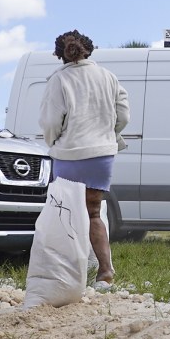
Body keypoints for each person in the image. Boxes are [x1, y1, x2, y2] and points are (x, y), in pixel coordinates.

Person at [38, 29, 128, 289]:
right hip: (102, 154)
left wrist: (53, 141)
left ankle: (69, 272)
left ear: (59, 54)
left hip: (69, 154)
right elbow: (123, 115)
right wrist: (108, 134)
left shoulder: (59, 80)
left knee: (64, 214)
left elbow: (52, 120)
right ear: (90, 48)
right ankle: (104, 271)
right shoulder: (109, 77)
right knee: (93, 213)